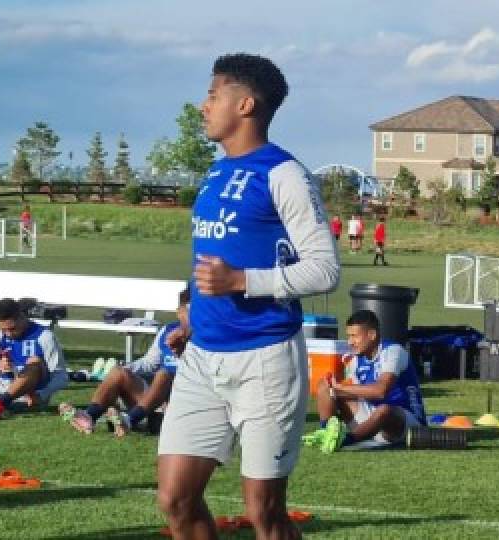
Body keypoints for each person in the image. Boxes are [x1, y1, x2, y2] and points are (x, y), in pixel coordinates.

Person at [157, 53, 339, 540]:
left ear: (246, 104)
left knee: (264, 513)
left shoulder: (285, 174)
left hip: (265, 360)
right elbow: (212, 255)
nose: (202, 106)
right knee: (175, 499)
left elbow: (324, 269)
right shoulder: (215, 173)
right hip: (201, 358)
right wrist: (192, 309)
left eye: (213, 95)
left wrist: (243, 282)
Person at [60, 287, 190, 437]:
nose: (191, 316)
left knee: (164, 374)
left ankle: (129, 420)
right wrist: (126, 368)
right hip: (156, 399)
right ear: (178, 311)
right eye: (186, 310)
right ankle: (89, 417)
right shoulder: (168, 330)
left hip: (185, 400)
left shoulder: (208, 337)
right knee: (118, 372)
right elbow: (149, 363)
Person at [309, 310, 426, 453]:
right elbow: (352, 392)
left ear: (372, 335)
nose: (350, 342)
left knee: (385, 409)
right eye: (348, 336)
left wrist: (339, 389)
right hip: (373, 419)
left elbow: (380, 391)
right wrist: (333, 389)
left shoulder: (393, 352)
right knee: (325, 386)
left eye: (354, 336)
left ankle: (346, 440)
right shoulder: (356, 360)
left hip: (405, 424)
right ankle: (327, 433)